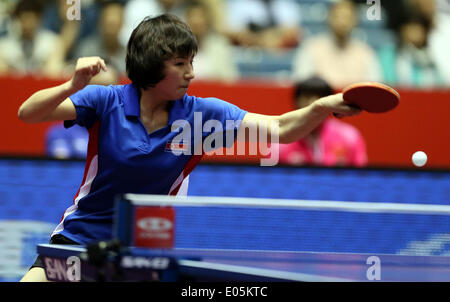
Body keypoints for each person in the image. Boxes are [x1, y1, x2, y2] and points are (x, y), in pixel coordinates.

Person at [17, 14, 361, 281]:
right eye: (180, 64)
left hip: (142, 250)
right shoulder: (106, 102)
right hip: (78, 239)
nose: (190, 73)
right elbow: (28, 113)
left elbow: (281, 129)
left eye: (191, 62)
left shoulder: (200, 116)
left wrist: (320, 107)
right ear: (152, 65)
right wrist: (72, 85)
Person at [278, 77, 368, 167]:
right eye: (307, 96)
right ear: (296, 101)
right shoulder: (280, 140)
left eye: (321, 97)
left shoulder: (349, 136)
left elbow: (361, 175)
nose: (312, 102)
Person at [291, 0, 381, 88]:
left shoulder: (366, 53)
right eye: (338, 16)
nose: (342, 22)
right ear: (329, 18)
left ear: (355, 21)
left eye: (347, 17)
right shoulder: (310, 47)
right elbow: (301, 86)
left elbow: (374, 89)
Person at [0, 0, 59, 75]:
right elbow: (3, 77)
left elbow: (53, 74)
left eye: (32, 19)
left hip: (43, 85)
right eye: (24, 19)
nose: (28, 24)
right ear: (17, 19)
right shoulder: (4, 47)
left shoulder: (52, 43)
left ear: (39, 19)